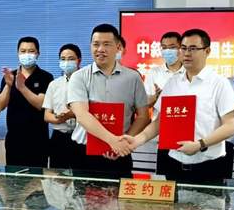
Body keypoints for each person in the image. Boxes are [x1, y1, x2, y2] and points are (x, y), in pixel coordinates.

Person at [124, 28, 234, 183]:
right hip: (174, 162)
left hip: (208, 165)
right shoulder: (173, 83)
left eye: (193, 48)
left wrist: (199, 144)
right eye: (183, 48)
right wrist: (137, 140)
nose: (186, 53)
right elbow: (160, 122)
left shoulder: (219, 83)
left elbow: (230, 127)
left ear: (207, 51)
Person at [67, 24, 149, 178]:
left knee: (120, 193)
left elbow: (143, 116)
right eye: (96, 44)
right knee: (83, 194)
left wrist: (124, 143)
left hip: (121, 153)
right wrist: (113, 141)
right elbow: (82, 115)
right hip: (84, 154)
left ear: (118, 47)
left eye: (106, 44)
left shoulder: (133, 78)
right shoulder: (79, 77)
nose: (100, 49)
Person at [0, 36, 53, 168]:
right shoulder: (10, 76)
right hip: (14, 140)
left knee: (37, 179)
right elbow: (0, 106)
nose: (27, 54)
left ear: (38, 53)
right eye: (23, 51)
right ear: (18, 53)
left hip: (38, 140)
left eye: (31, 51)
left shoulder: (46, 77)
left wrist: (22, 87)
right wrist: (9, 85)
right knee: (14, 179)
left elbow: (40, 104)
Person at [43, 43, 82, 170]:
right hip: (59, 137)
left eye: (71, 59)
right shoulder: (54, 84)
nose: (66, 62)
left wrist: (72, 114)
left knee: (81, 176)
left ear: (79, 60)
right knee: (58, 176)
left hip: (81, 136)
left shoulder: (87, 82)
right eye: (63, 59)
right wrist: (60, 118)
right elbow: (47, 115)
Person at [144, 31, 185, 107]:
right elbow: (144, 104)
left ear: (181, 49)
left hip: (184, 113)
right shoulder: (153, 72)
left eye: (172, 47)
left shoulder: (190, 72)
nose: (167, 51)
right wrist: (155, 97)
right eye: (164, 48)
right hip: (160, 114)